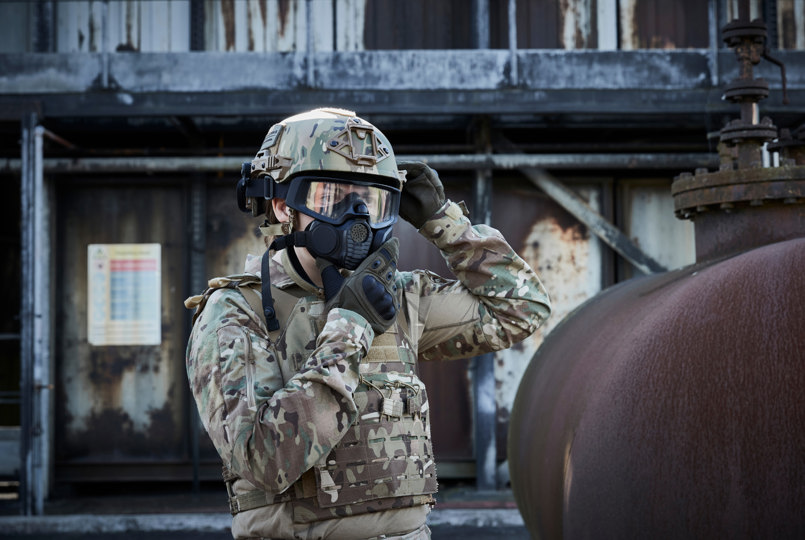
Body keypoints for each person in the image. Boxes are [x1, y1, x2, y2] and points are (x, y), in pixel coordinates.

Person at [185, 108, 551, 540]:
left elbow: (522, 308)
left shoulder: (398, 295)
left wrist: (445, 222)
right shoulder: (234, 311)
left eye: (372, 201)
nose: (356, 216)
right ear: (284, 206)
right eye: (332, 198)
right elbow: (265, 460)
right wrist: (351, 326)